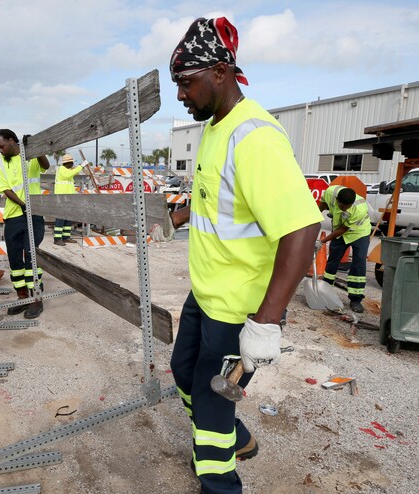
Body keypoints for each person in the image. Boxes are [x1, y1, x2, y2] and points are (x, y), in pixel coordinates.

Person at [167, 17, 323, 494]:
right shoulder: (217, 128)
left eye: (186, 83)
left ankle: (219, 478)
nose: (180, 95)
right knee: (181, 373)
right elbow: (222, 201)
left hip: (239, 310)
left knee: (212, 404)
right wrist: (179, 214)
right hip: (208, 294)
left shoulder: (253, 135)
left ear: (219, 72)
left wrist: (266, 322)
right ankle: (234, 438)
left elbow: (303, 226)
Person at [0, 129, 50, 319]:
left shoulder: (30, 157)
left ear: (11, 140)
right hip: (13, 215)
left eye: (2, 146)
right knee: (15, 259)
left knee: (31, 256)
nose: (0, 150)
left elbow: (45, 165)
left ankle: (36, 300)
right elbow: (5, 189)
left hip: (34, 215)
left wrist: (36, 148)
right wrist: (23, 205)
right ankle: (22, 298)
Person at [317, 186, 371, 313]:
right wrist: (313, 217)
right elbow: (323, 204)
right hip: (339, 231)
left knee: (359, 263)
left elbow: (343, 229)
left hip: (359, 233)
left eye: (348, 206)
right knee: (332, 261)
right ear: (337, 200)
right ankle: (325, 290)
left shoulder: (359, 209)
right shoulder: (330, 192)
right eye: (343, 206)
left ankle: (356, 299)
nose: (346, 208)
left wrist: (322, 241)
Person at [53, 153, 87, 245]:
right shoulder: (62, 169)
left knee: (68, 218)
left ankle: (66, 237)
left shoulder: (66, 170)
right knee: (60, 218)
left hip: (68, 198)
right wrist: (81, 166)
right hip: (61, 198)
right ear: (67, 163)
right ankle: (57, 239)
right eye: (71, 163)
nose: (72, 164)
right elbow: (70, 174)